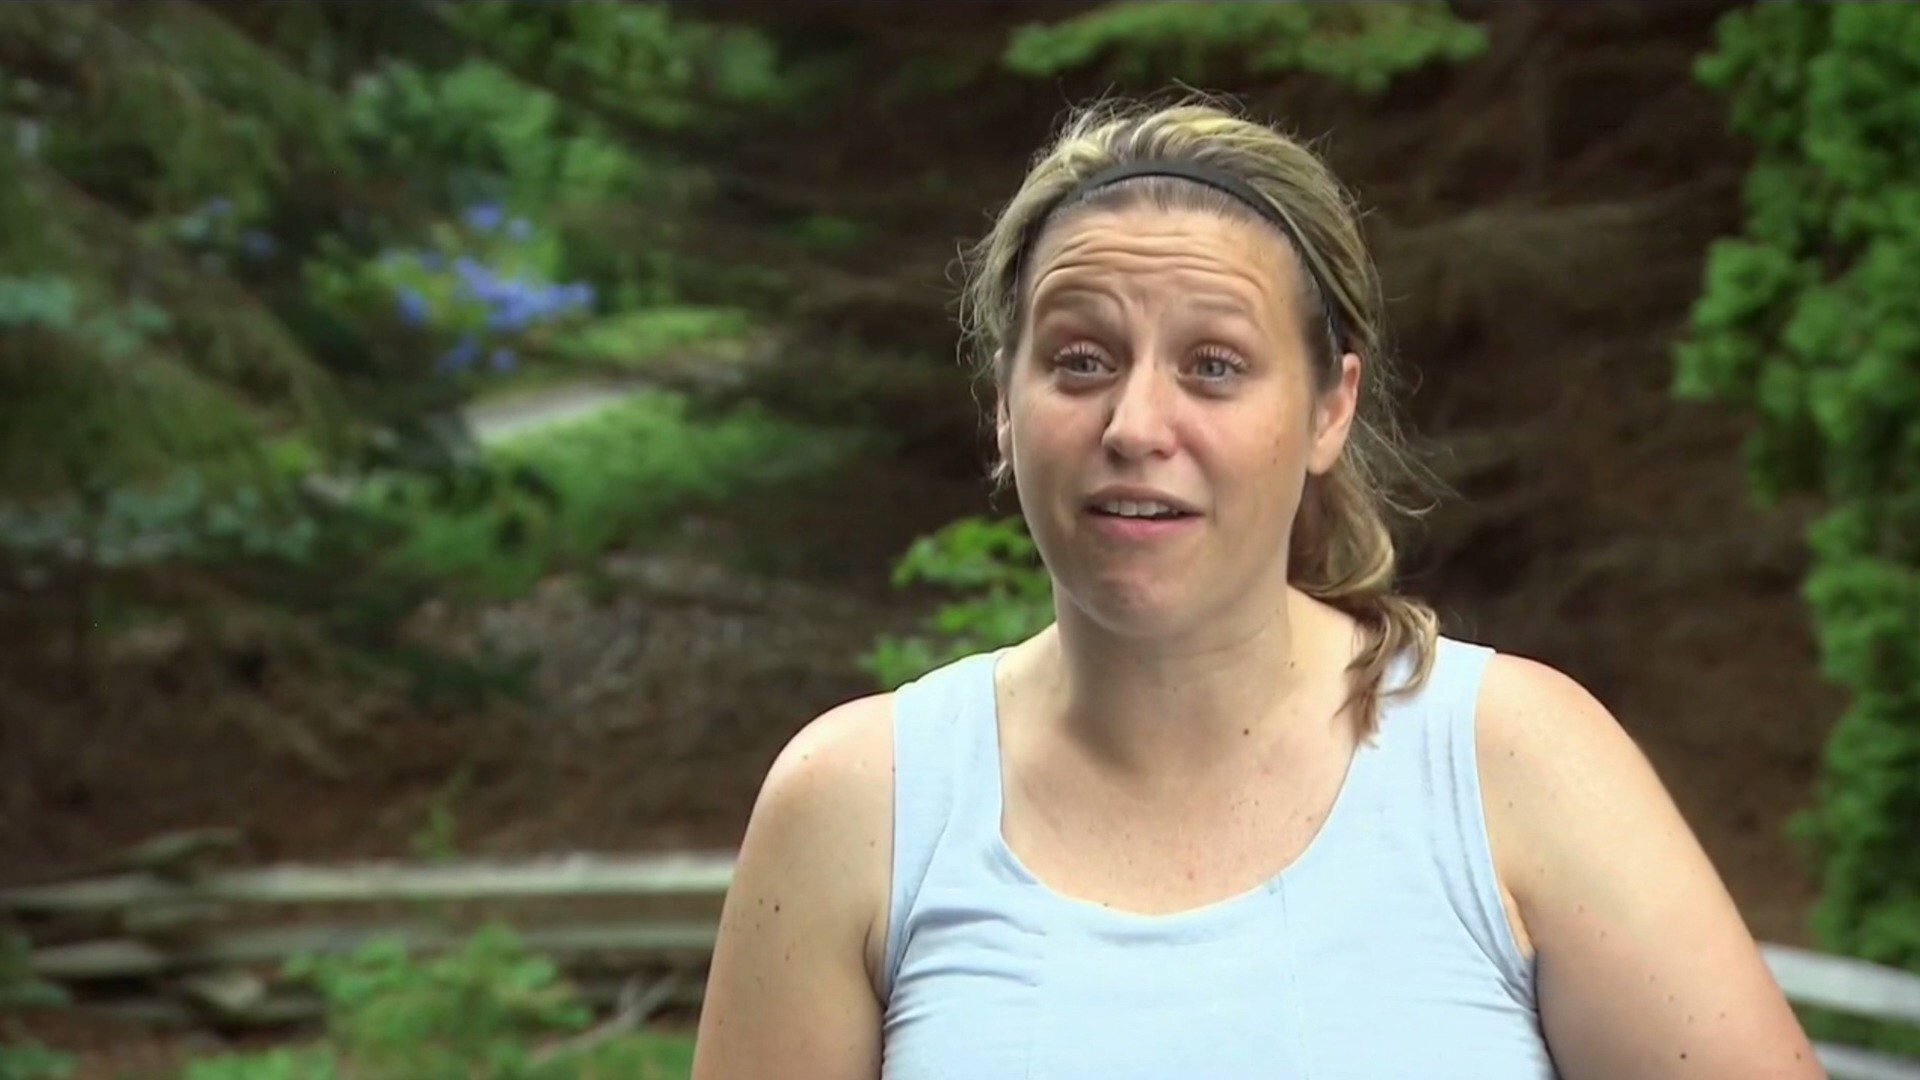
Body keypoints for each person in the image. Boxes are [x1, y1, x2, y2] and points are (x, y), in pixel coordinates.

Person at [691, 97, 1820, 1079]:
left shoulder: (1510, 768)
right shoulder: (864, 807)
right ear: (1003, 403)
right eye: (1080, 360)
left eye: (1215, 366)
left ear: (1330, 409)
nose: (1136, 425)